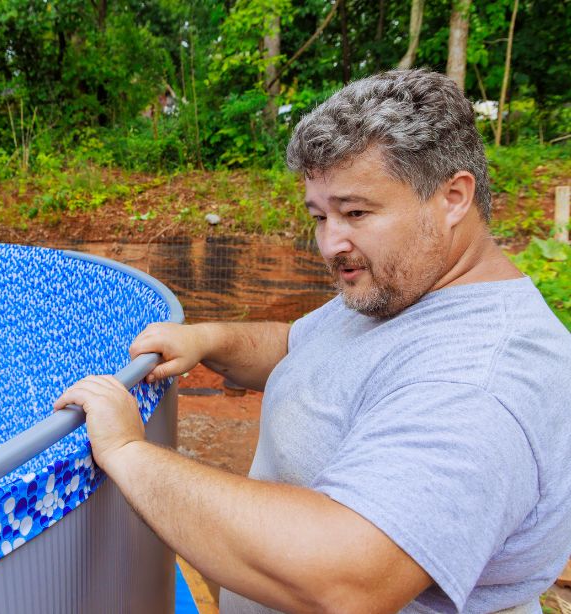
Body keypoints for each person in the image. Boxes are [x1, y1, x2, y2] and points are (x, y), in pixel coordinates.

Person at [54, 69, 571, 614]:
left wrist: (128, 453)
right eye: (319, 216)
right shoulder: (400, 287)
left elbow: (344, 579)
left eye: (355, 213)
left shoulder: (481, 380)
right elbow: (301, 348)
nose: (329, 243)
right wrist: (209, 339)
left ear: (452, 198)